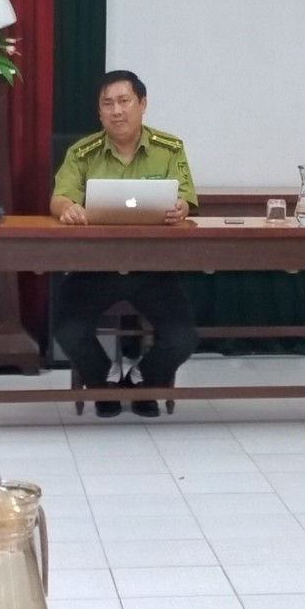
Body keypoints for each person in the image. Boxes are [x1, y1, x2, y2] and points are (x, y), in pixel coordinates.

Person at [48, 70, 198, 418]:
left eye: (124, 101)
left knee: (182, 337)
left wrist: (181, 207)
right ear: (99, 112)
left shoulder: (169, 148)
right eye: (108, 104)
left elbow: (186, 197)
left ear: (142, 104)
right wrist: (68, 208)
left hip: (153, 268)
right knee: (68, 332)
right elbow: (59, 197)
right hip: (95, 267)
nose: (116, 111)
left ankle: (144, 383)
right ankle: (105, 382)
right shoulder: (82, 152)